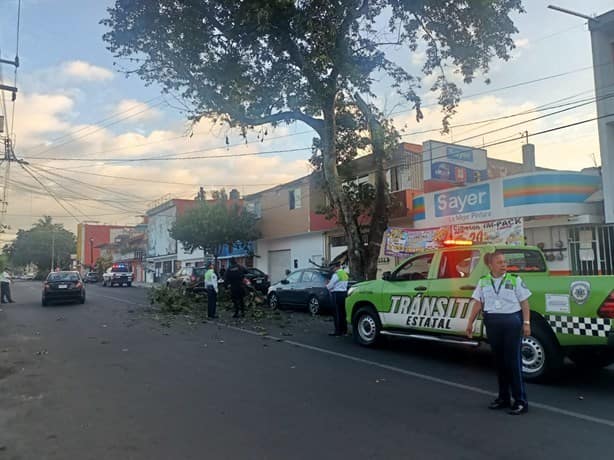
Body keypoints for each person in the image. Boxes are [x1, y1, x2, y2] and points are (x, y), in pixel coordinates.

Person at [466, 250, 532, 415]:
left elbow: (524, 303)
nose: (504, 265)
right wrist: (470, 322)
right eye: (500, 262)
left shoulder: (514, 280)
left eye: (504, 262)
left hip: (511, 322)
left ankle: (520, 401)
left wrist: (526, 323)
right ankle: (503, 398)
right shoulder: (484, 282)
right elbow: (478, 303)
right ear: (491, 265)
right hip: (493, 323)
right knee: (500, 362)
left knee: (513, 362)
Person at [327, 261, 349, 336]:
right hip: (344, 294)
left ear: (336, 267)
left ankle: (337, 331)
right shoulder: (345, 274)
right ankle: (344, 331)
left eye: (333, 267)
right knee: (343, 313)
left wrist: (327, 285)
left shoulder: (336, 275)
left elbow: (330, 285)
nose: (332, 269)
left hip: (336, 294)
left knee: (337, 313)